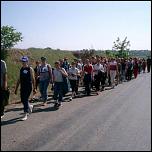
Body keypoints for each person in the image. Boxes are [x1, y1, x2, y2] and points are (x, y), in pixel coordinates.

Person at [15, 56, 36, 121]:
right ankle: (30, 106)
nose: (23, 62)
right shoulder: (21, 69)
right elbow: (19, 79)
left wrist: (34, 88)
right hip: (22, 86)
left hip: (28, 86)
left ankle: (25, 114)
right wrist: (16, 88)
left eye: (24, 61)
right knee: (23, 100)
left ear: (27, 61)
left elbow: (33, 79)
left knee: (25, 99)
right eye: (22, 61)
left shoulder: (30, 69)